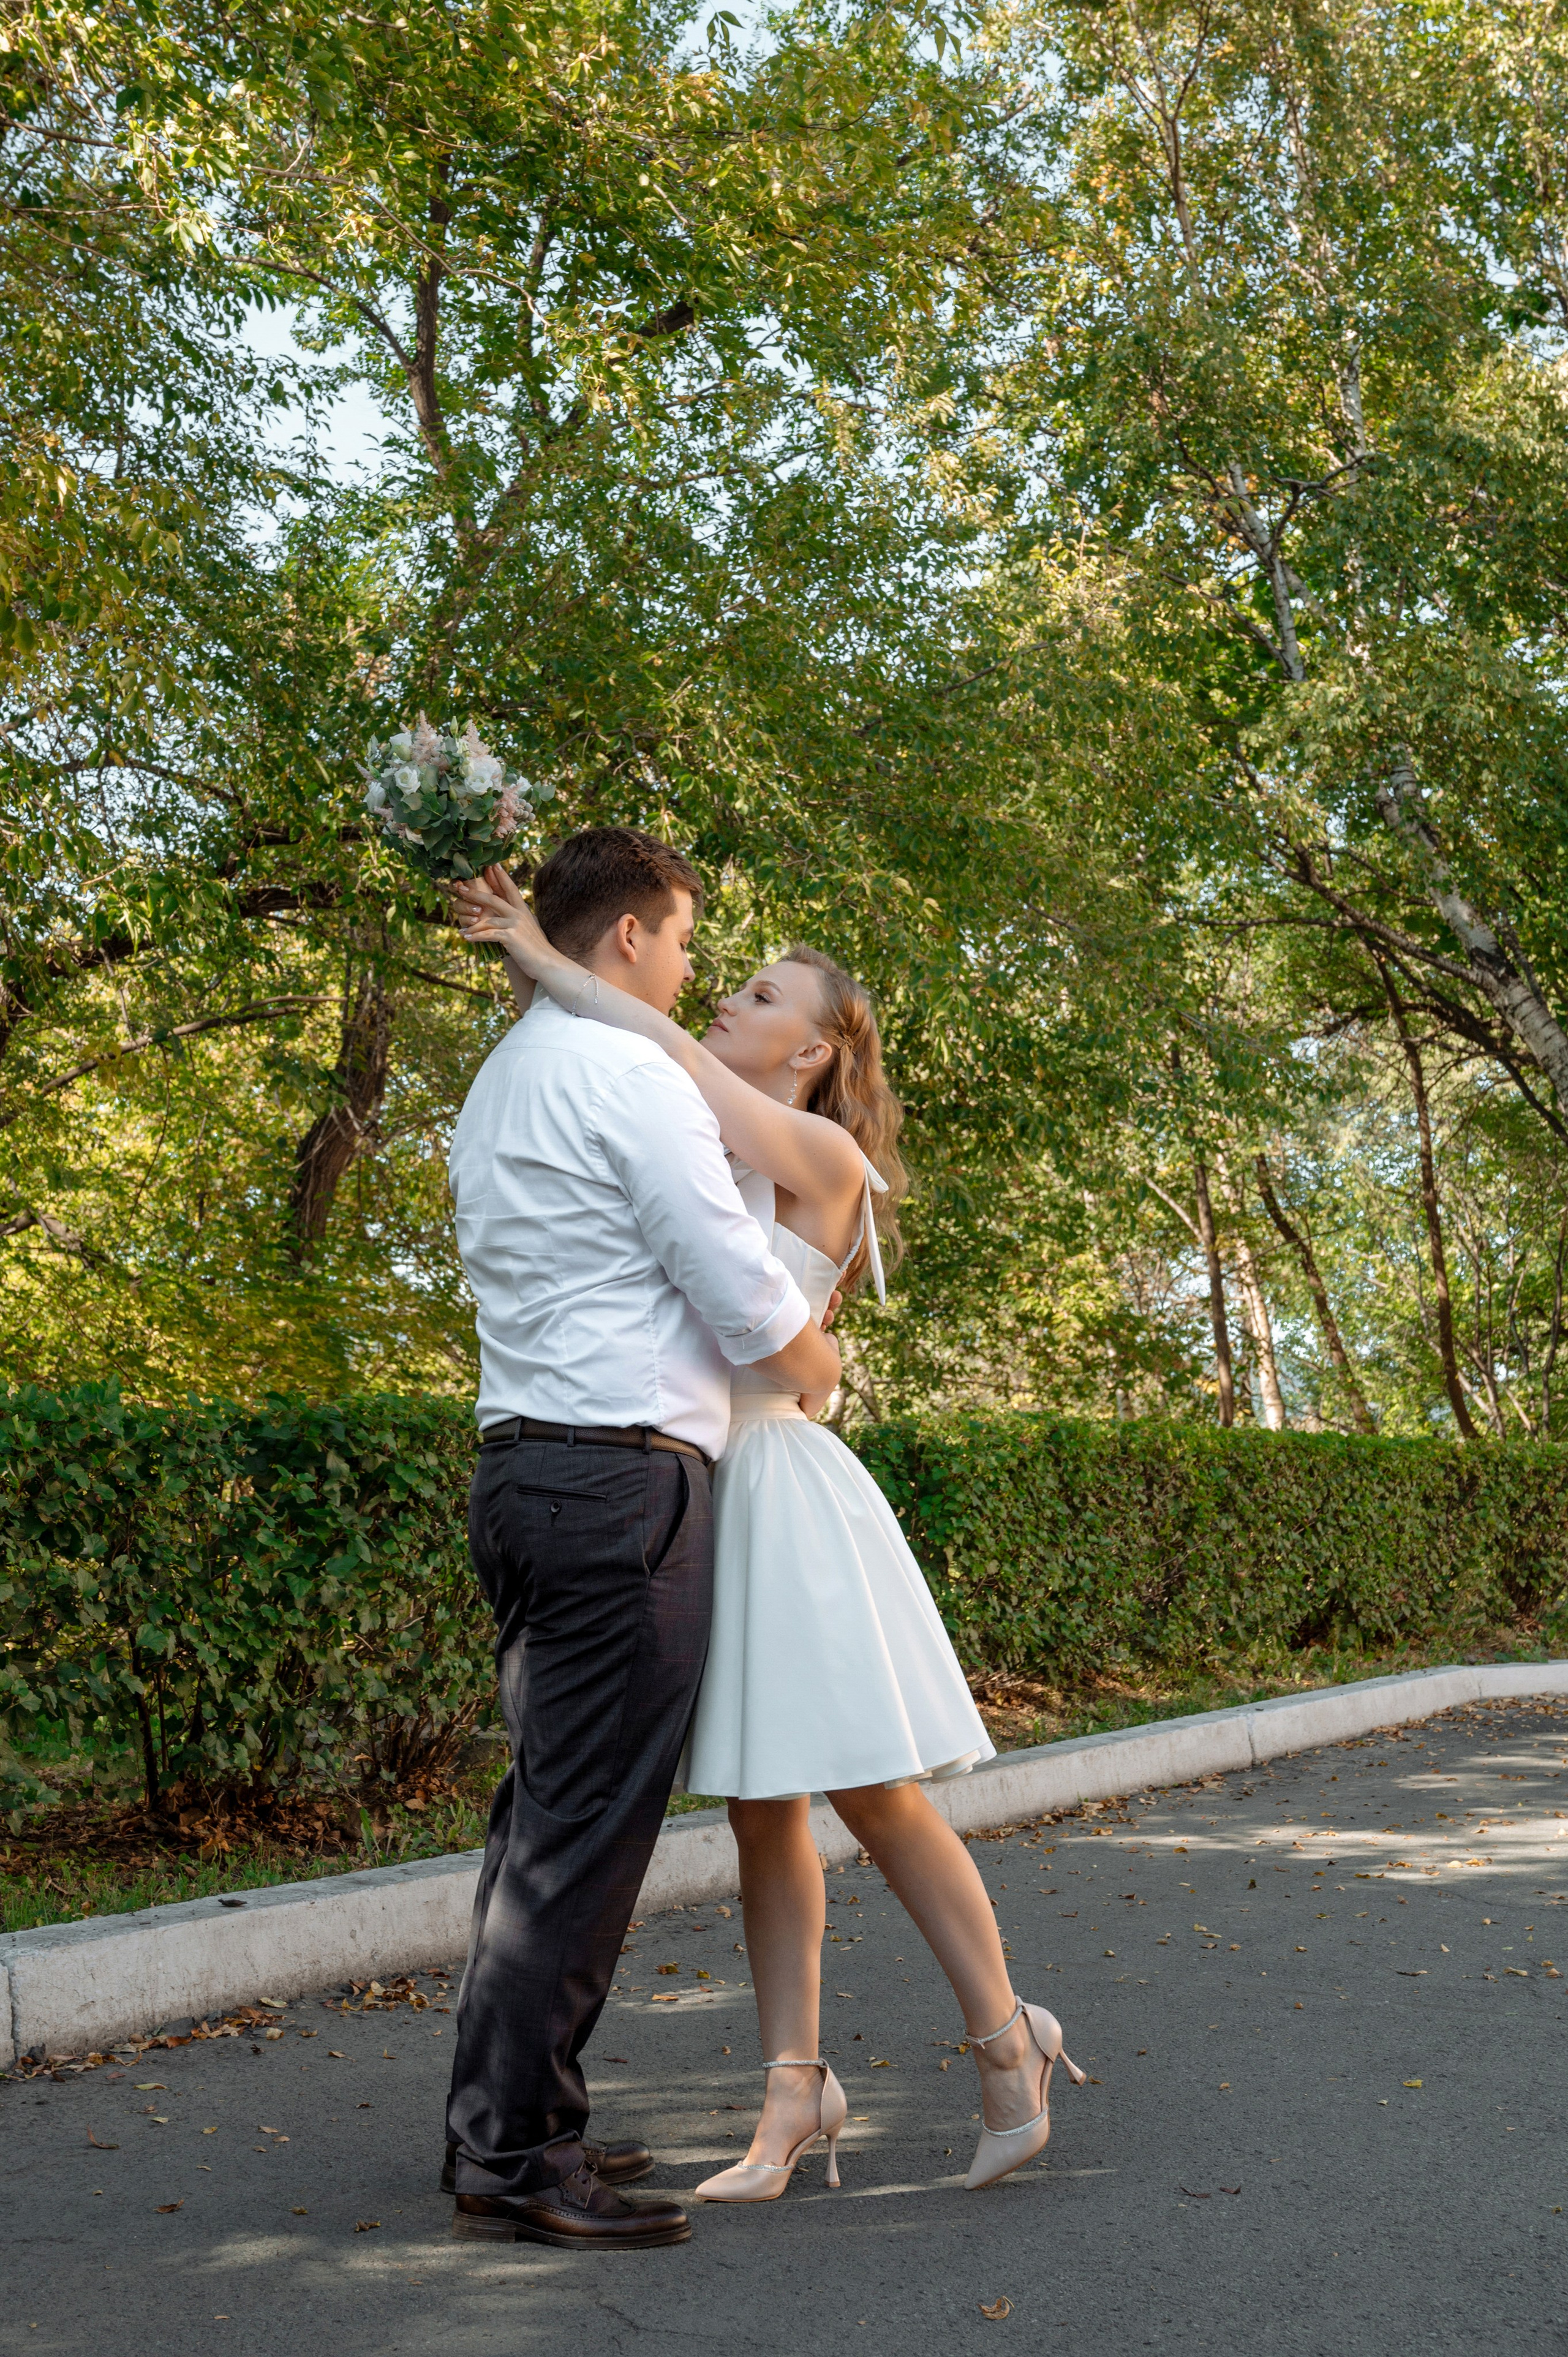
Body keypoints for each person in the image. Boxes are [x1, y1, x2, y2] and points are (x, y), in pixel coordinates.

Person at [454, 865, 1086, 2200]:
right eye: (722, 976)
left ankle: (1004, 2031)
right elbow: (608, 1067)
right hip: (698, 1482)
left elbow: (654, 1038)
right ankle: (791, 2095)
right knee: (761, 1808)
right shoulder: (697, 1126)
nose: (723, 996)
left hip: (780, 1490)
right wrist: (537, 967)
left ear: (809, 1048)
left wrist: (537, 944)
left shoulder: (817, 1151)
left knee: (869, 1787)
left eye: (757, 994)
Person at [442, 827, 842, 2250]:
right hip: (619, 1485)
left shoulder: (503, 1078)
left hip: (522, 1470)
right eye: (681, 941)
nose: (686, 968)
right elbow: (739, 1292)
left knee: (537, 1818)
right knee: (581, 1833)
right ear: (628, 939)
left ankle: (504, 2115)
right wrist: (817, 1359)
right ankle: (513, 2154)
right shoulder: (627, 1074)